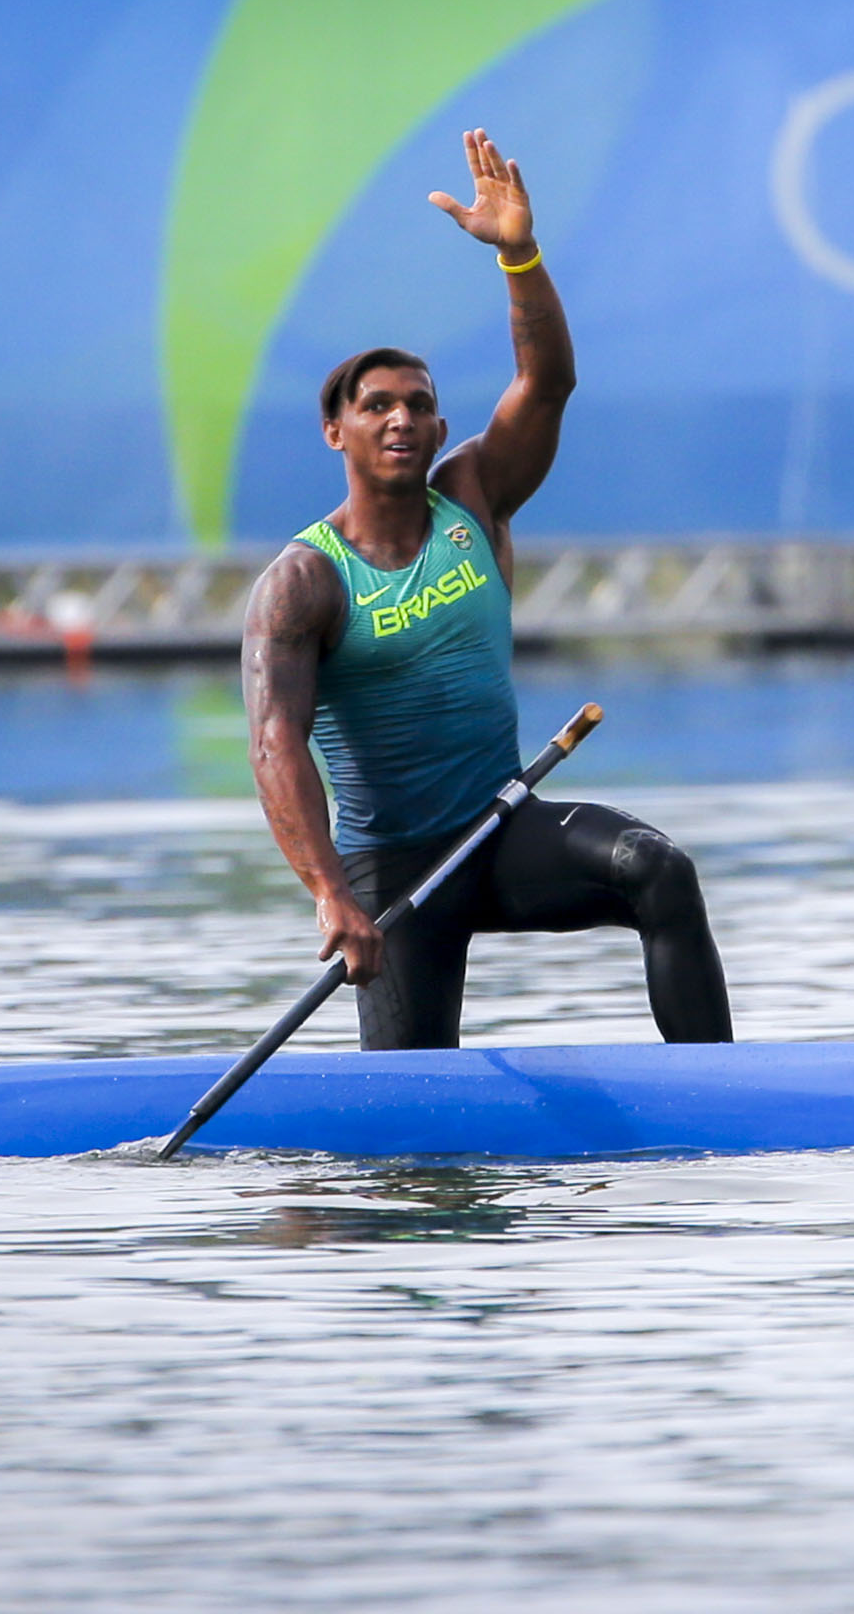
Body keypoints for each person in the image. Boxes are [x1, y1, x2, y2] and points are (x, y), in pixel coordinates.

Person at [242, 129, 732, 1050]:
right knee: (411, 1144)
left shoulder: (475, 496)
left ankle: (717, 1095)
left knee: (659, 870)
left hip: (501, 829)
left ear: (440, 428)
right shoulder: (303, 581)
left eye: (420, 405)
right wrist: (331, 897)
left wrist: (518, 253)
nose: (402, 418)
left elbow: (548, 381)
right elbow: (275, 746)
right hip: (392, 874)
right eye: (378, 404)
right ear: (333, 432)